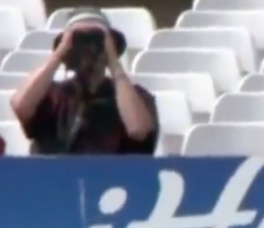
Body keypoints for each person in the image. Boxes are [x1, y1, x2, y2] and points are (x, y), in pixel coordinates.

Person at [10, 8, 158, 155]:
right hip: (55, 176)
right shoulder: (53, 96)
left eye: (97, 43)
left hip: (110, 177)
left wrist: (113, 61)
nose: (90, 52)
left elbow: (139, 130)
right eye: (81, 44)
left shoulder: (135, 96)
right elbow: (20, 105)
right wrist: (61, 51)